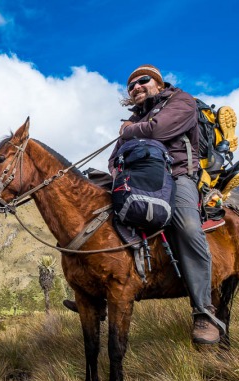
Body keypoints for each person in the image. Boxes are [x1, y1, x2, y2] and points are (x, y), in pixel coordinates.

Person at [66, 64, 226, 344]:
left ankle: (204, 310)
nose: (136, 87)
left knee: (188, 226)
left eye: (143, 81)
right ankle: (95, 293)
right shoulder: (134, 120)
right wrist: (117, 174)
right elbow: (115, 156)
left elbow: (158, 131)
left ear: (159, 84)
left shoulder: (181, 102)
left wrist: (129, 131)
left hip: (177, 177)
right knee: (89, 206)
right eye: (131, 86)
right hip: (136, 179)